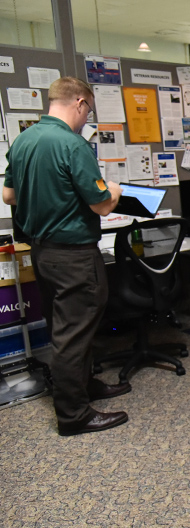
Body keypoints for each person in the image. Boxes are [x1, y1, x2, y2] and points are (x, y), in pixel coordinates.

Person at [2, 77, 128, 436]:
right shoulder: (73, 144)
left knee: (67, 327)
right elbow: (102, 205)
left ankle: (85, 386)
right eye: (88, 109)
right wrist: (115, 189)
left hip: (42, 253)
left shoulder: (23, 140)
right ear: (79, 103)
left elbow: (9, 196)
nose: (86, 117)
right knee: (73, 334)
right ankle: (74, 415)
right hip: (74, 256)